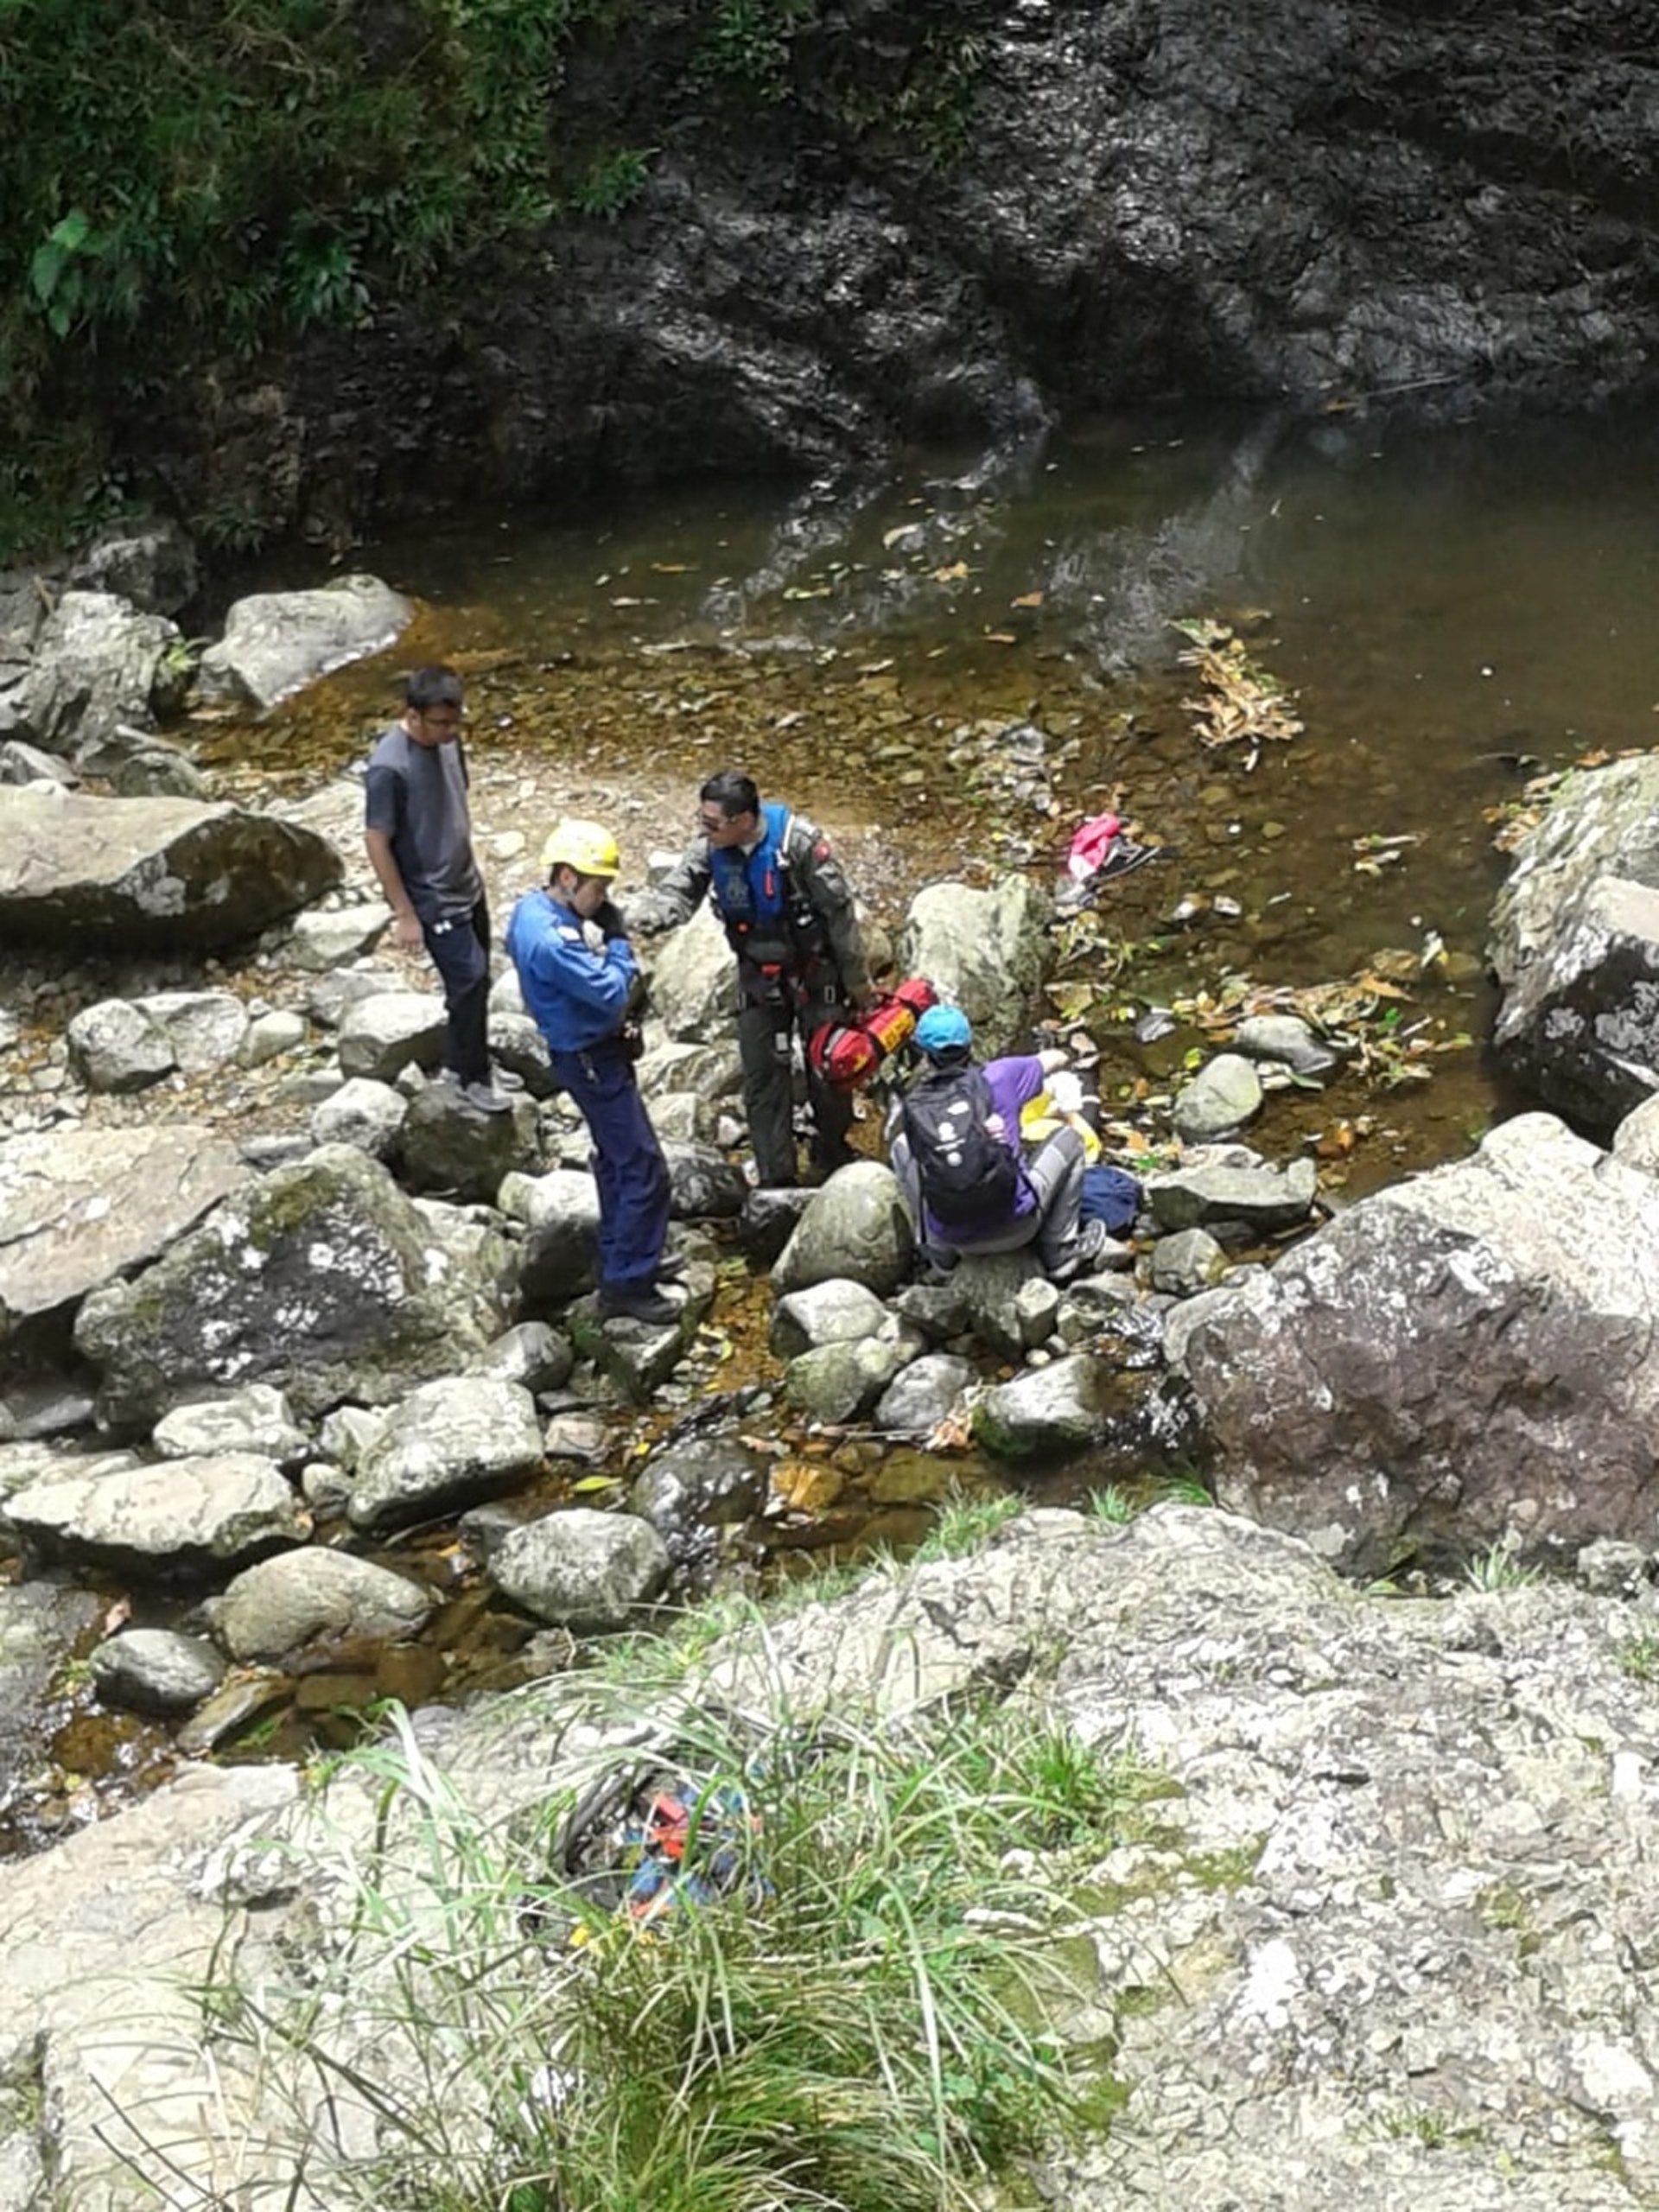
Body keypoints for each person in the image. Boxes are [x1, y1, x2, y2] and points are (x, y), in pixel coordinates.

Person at [623, 771, 874, 1188]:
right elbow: (679, 890)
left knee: (829, 1070)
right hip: (758, 978)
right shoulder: (710, 847)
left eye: (712, 822)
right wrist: (653, 914)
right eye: (700, 819)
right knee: (762, 1078)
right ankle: (777, 1178)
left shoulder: (801, 845)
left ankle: (830, 1153)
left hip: (817, 975)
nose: (703, 830)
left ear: (743, 820)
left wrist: (859, 985)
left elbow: (840, 917)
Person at [505, 820, 679, 1326]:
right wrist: (621, 947)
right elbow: (609, 991)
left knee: (614, 1159)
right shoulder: (553, 940)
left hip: (587, 1053)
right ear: (565, 877)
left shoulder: (530, 911)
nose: (602, 898)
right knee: (644, 1168)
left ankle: (625, 1253)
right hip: (590, 1058)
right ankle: (627, 1282)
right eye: (597, 888)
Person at [363, 664, 507, 1113]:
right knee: (467, 981)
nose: (450, 731)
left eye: (454, 721)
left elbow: (455, 791)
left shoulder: (448, 742)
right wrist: (404, 913)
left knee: (480, 976)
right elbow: (376, 840)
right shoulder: (389, 767)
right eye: (441, 723)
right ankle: (466, 1076)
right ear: (413, 715)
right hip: (432, 896)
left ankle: (476, 1059)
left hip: (466, 880)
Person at [888, 1004, 1110, 1281]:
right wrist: (1070, 1051)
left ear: (924, 1055)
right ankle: (1059, 1252)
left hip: (954, 1236)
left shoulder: (917, 1102)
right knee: (1070, 1139)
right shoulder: (1002, 1074)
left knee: (902, 1146)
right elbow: (1050, 1061)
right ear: (970, 1044)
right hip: (1017, 1227)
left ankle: (940, 1257)